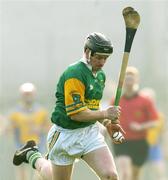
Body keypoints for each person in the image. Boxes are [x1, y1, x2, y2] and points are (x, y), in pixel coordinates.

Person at [12, 32, 125, 180]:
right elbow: (76, 114)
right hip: (65, 135)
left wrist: (107, 124)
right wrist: (105, 114)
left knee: (110, 176)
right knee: (53, 176)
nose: (102, 62)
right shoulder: (75, 73)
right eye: (98, 57)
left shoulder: (100, 76)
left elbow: (92, 107)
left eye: (105, 58)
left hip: (89, 133)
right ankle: (33, 155)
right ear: (87, 52)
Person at [110, 66, 159, 180]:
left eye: (131, 79)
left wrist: (141, 127)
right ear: (122, 82)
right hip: (121, 140)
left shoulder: (145, 100)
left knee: (135, 175)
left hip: (140, 141)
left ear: (136, 80)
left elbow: (155, 122)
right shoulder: (115, 100)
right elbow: (108, 119)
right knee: (125, 173)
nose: (129, 82)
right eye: (126, 79)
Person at [9, 82, 50, 180]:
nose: (28, 96)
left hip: (39, 146)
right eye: (25, 94)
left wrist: (40, 129)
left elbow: (49, 128)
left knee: (39, 173)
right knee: (22, 175)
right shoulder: (15, 113)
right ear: (21, 95)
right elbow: (9, 129)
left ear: (34, 94)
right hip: (21, 146)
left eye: (29, 94)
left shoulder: (42, 111)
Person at [141, 88, 167, 180]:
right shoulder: (137, 115)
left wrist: (165, 148)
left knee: (160, 172)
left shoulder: (159, 116)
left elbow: (163, 133)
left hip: (154, 147)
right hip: (139, 147)